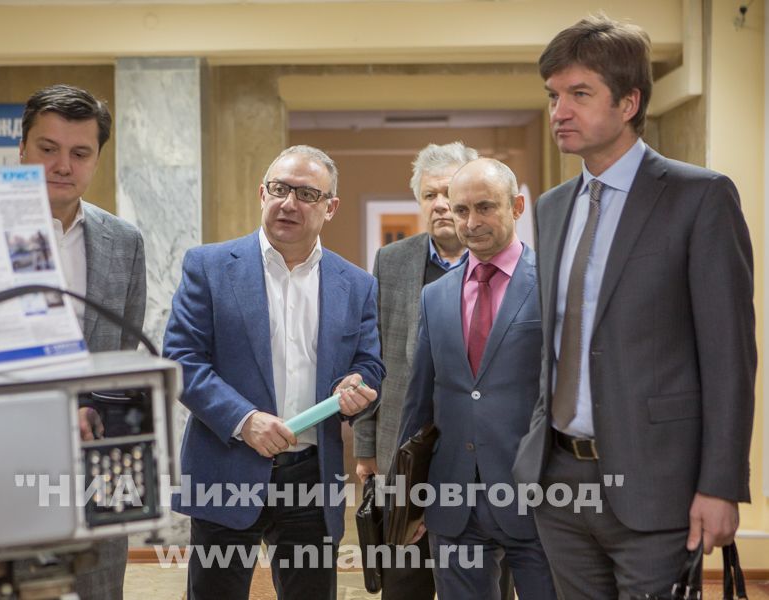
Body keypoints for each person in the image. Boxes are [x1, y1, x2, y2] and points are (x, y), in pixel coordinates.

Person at [512, 15, 756, 599]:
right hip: (559, 482)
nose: (559, 111)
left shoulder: (699, 197)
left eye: (579, 94)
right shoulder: (551, 207)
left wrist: (721, 484)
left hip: (658, 486)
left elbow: (729, 357)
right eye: (553, 96)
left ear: (629, 102)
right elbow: (556, 344)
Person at [0, 84, 146, 600]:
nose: (63, 165)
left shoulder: (124, 242)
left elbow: (122, 358)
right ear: (21, 149)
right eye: (48, 148)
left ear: (96, 159)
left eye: (80, 153)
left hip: (90, 481)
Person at [163, 145, 385, 600]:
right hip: (226, 466)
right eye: (280, 189)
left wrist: (357, 385)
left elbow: (369, 363)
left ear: (330, 208)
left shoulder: (356, 284)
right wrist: (245, 421)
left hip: (311, 476)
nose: (289, 203)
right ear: (261, 194)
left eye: (307, 194)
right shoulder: (208, 267)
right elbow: (182, 359)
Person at [396, 158, 556, 599]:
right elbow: (419, 403)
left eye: (485, 207)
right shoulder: (435, 297)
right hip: (453, 500)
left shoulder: (552, 284)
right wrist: (407, 499)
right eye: (462, 210)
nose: (471, 222)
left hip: (537, 497)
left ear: (516, 206)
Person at [353, 141, 479, 600]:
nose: (440, 204)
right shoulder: (392, 261)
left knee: (478, 579)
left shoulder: (499, 262)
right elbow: (373, 356)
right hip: (404, 451)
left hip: (478, 457)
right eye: (430, 195)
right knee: (404, 582)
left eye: (450, 192)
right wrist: (366, 447)